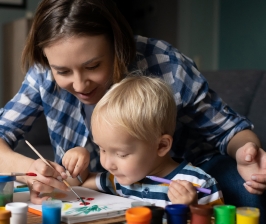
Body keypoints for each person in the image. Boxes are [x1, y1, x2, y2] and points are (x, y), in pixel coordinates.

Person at [0, 0, 266, 224]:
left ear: (119, 45)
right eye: (62, 71)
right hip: (104, 183)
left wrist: (247, 152)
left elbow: (229, 130)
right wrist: (33, 170)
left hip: (183, 175)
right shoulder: (43, 71)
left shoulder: (163, 61)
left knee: (246, 191)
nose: (79, 84)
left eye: (93, 66)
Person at [63, 75, 224, 207]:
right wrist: (79, 158)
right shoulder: (118, 180)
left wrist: (190, 208)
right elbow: (76, 185)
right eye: (102, 149)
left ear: (161, 146)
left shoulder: (199, 184)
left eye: (122, 154)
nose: (107, 164)